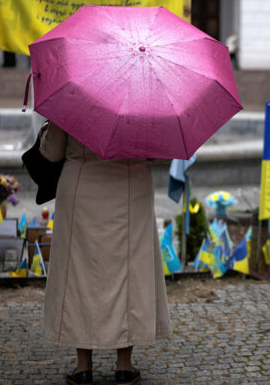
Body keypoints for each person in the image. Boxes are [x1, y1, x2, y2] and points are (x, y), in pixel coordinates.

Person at [39, 121, 171, 385]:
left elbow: (52, 152)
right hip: (131, 187)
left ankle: (83, 367)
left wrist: (47, 128)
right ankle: (124, 366)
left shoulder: (72, 101)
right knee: (130, 275)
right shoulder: (143, 102)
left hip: (81, 187)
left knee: (79, 277)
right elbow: (161, 154)